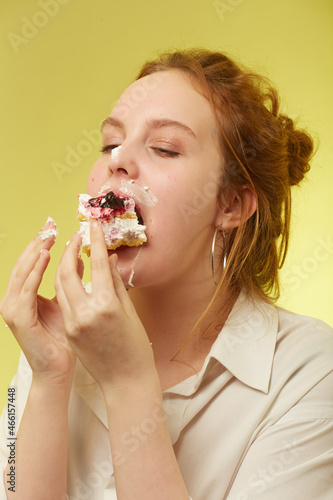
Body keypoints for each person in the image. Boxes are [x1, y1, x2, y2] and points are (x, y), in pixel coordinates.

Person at [0, 48, 332, 500]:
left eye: (164, 148)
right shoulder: (54, 343)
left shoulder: (311, 374)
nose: (118, 160)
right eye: (109, 143)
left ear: (230, 205)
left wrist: (128, 383)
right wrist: (49, 378)